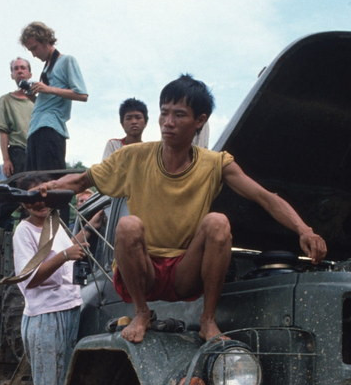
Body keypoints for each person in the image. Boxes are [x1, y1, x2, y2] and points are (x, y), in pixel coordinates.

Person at [35, 75, 327, 344]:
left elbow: (265, 197)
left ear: (200, 121)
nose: (168, 122)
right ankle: (141, 313)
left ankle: (208, 320)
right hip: (142, 269)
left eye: (179, 115)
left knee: (218, 222)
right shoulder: (133, 157)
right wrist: (48, 187)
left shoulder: (216, 163)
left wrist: (304, 229)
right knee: (128, 225)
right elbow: (82, 180)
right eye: (164, 112)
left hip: (185, 273)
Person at [4, 174, 89, 385]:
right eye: (32, 197)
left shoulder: (57, 225)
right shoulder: (23, 232)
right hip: (44, 318)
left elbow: (70, 255)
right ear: (22, 203)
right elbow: (30, 278)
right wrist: (65, 254)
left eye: (45, 195)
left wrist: (87, 232)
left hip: (68, 309)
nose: (40, 201)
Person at [19, 21, 88, 172]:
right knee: (33, 184)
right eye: (30, 50)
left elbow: (82, 94)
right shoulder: (47, 67)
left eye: (34, 48)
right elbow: (50, 101)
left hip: (50, 128)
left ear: (45, 41)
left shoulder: (66, 60)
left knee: (50, 183)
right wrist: (34, 97)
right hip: (35, 129)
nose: (34, 54)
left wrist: (48, 89)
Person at [0, 57, 35, 176]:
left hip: (38, 149)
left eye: (23, 68)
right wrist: (6, 160)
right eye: (16, 69)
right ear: (12, 75)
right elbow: (3, 131)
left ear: (29, 73)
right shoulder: (6, 100)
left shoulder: (39, 99)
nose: (20, 71)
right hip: (18, 150)